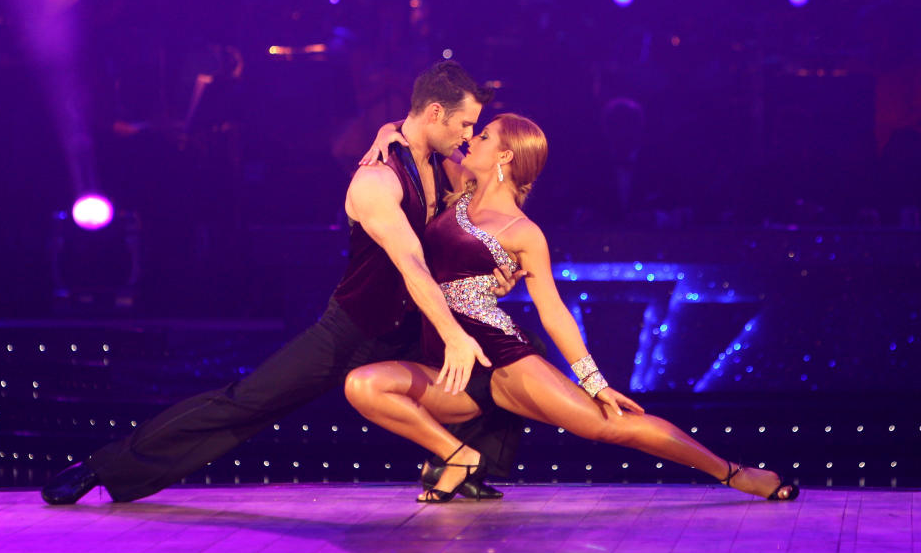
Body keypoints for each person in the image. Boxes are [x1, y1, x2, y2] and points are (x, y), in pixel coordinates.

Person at [41, 61, 524, 505]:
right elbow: (412, 266)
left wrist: (497, 267)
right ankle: (101, 469)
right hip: (352, 330)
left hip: (411, 324)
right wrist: (454, 334)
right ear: (436, 113)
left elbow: (486, 208)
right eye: (464, 124)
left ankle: (464, 465)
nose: (469, 134)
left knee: (513, 358)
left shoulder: (442, 160)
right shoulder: (377, 179)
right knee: (244, 404)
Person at [344, 113, 800, 503]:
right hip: (454, 367)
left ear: (504, 157)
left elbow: (553, 311)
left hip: (505, 362)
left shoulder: (523, 232)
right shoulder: (462, 185)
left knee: (610, 426)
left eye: (483, 137)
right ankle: (458, 455)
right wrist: (388, 129)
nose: (471, 138)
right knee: (362, 386)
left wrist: (594, 381)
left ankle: (735, 473)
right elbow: (423, 128)